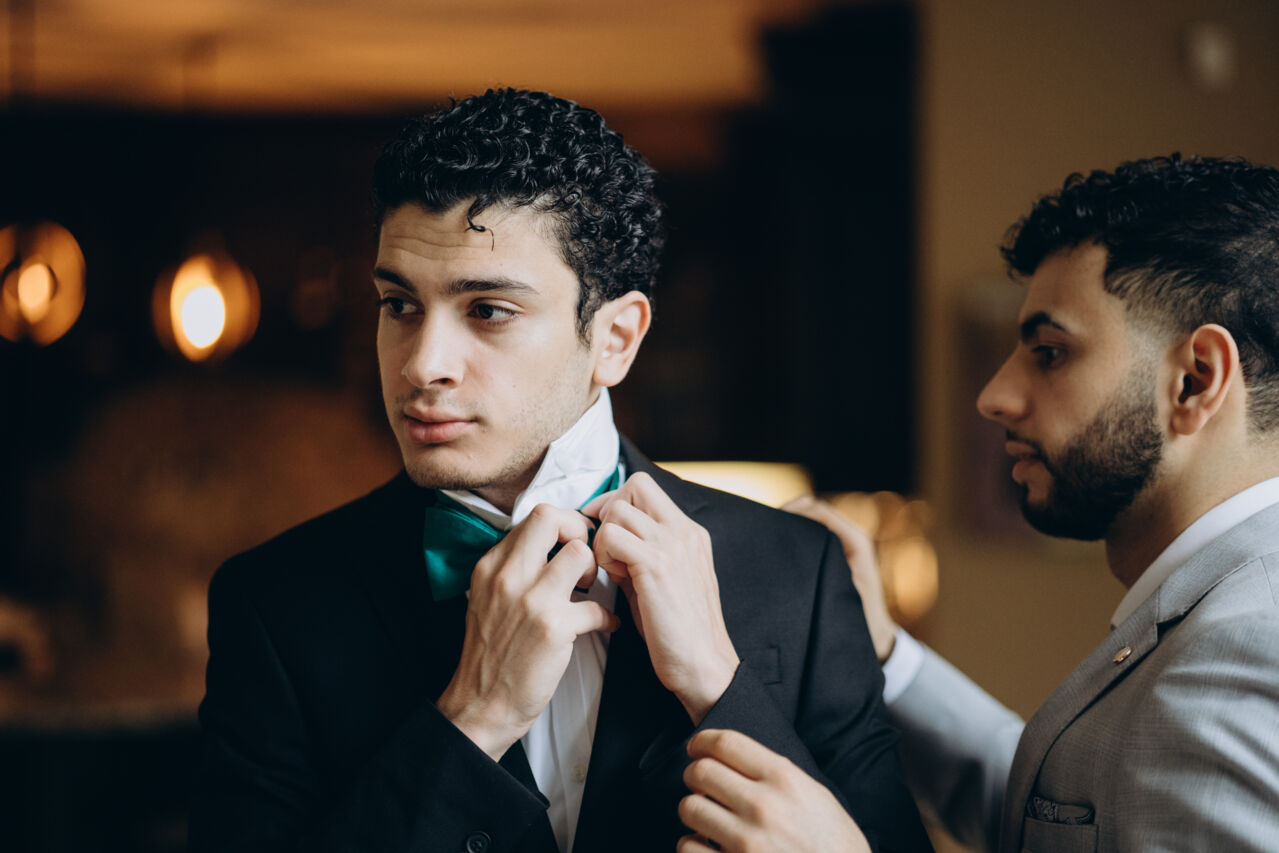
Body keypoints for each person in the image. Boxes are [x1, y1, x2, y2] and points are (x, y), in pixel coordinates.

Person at [188, 88, 930, 853]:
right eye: (399, 305)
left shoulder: (797, 573)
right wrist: (472, 718)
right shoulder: (274, 602)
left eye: (488, 310)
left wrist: (718, 684)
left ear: (615, 338)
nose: (421, 364)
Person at [685, 154, 1279, 852]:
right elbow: (1068, 816)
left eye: (1049, 352)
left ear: (1195, 379)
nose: (994, 396)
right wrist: (881, 651)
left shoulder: (1248, 653)